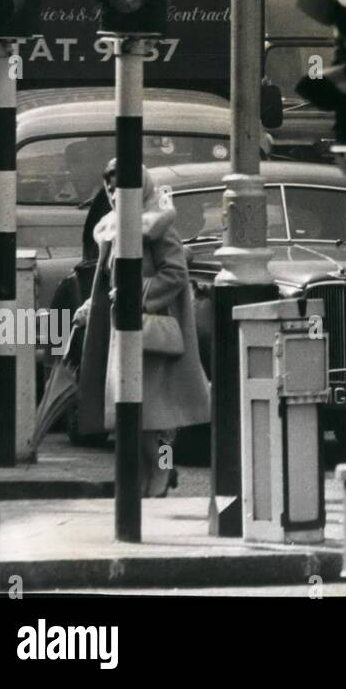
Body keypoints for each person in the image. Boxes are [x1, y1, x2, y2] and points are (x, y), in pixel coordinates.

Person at [74, 161, 210, 495]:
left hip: (151, 332)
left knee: (157, 423)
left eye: (122, 187)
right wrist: (91, 307)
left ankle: (163, 472)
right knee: (136, 420)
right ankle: (159, 473)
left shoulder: (159, 228)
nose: (115, 195)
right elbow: (107, 282)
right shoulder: (113, 228)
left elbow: (176, 274)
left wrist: (139, 294)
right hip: (123, 334)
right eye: (109, 188)